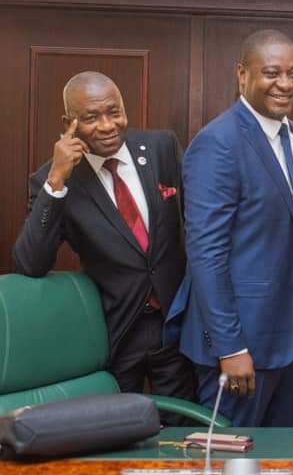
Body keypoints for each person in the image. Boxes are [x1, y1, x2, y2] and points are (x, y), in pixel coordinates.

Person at [13, 71, 196, 417]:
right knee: (116, 430)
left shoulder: (161, 148)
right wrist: (57, 180)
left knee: (182, 429)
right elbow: (30, 263)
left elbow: (198, 220)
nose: (108, 125)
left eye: (115, 112)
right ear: (68, 124)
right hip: (117, 332)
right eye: (91, 117)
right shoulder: (53, 179)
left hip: (177, 324)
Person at [164, 30, 293, 427]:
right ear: (242, 75)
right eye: (271, 72)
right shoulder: (218, 143)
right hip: (241, 346)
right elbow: (206, 253)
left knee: (285, 458)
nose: (285, 83)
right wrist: (230, 348)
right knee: (233, 459)